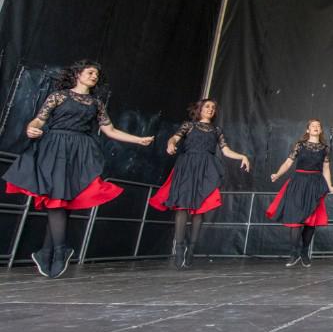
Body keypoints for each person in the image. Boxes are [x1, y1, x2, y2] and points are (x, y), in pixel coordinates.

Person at [4, 60, 154, 278]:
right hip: (55, 148)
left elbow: (110, 130)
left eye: (96, 74)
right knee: (56, 199)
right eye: (90, 72)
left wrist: (138, 140)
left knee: (65, 201)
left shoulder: (96, 103)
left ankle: (46, 252)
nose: (94, 76)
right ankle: (60, 249)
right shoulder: (58, 96)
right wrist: (30, 128)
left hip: (80, 151)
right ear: (78, 74)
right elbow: (38, 120)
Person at [149, 98, 250, 269]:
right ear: (200, 109)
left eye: (213, 107)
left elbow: (225, 151)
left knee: (200, 209)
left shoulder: (216, 130)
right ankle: (179, 247)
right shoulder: (188, 125)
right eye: (207, 106)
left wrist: (242, 156)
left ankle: (191, 249)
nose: (210, 109)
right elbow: (174, 138)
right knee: (182, 207)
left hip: (206, 169)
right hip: (188, 166)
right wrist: (170, 145)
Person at [267, 119, 333, 267]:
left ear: (320, 130)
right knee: (295, 220)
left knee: (311, 221)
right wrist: (278, 174)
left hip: (315, 184)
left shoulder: (325, 149)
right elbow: (288, 162)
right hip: (298, 183)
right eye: (313, 125)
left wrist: (330, 186)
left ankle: (304, 252)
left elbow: (326, 169)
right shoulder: (300, 145)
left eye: (318, 126)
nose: (316, 127)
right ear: (308, 130)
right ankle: (294, 253)